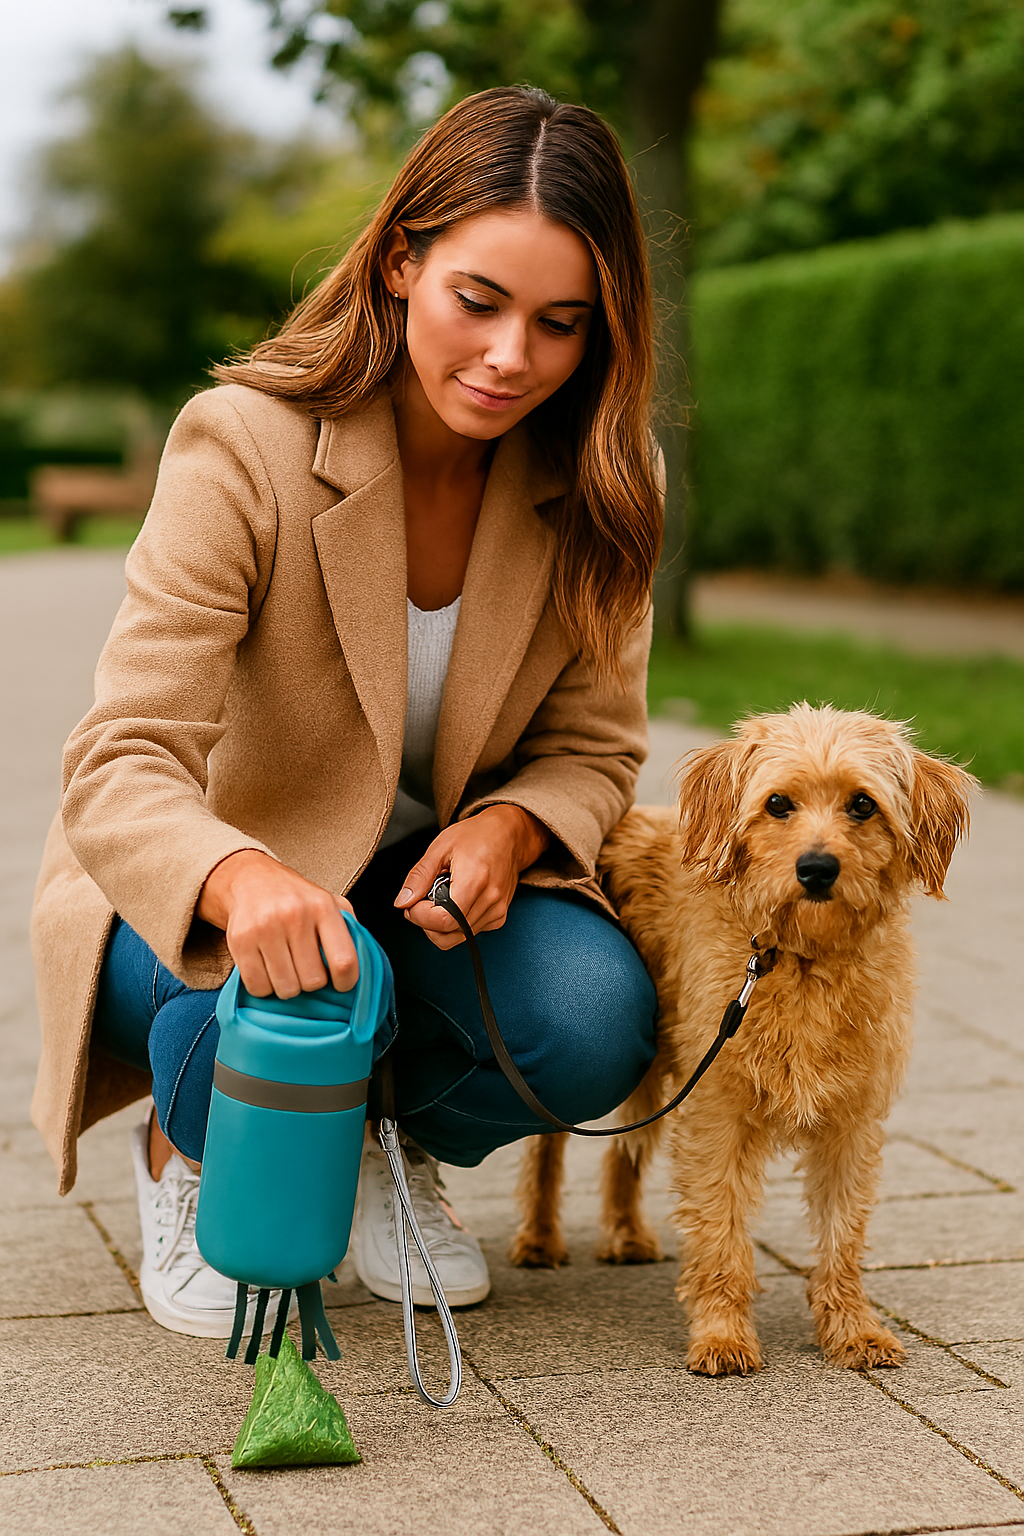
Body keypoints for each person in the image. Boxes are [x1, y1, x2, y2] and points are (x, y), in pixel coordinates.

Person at [30, 85, 663, 1340]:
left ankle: (380, 1136)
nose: (508, 359)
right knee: (282, 994)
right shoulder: (247, 443)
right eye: (476, 302)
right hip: (200, 891)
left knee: (591, 1017)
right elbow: (122, 760)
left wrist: (516, 831)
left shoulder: (598, 483)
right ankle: (183, 1153)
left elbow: (594, 749)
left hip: (420, 908)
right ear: (396, 264)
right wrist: (237, 876)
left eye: (559, 324)